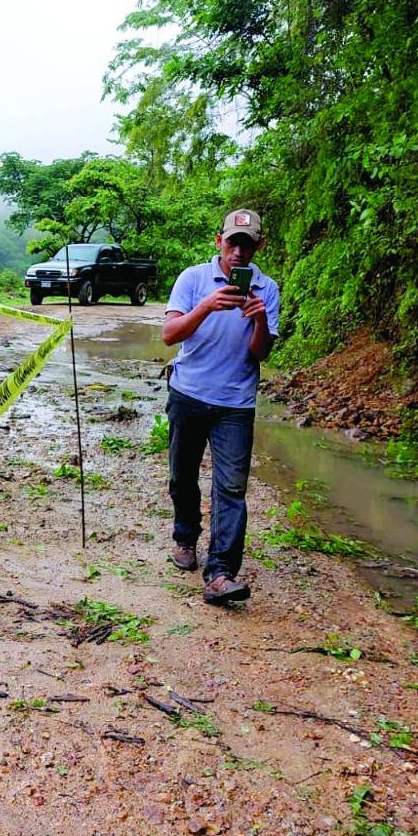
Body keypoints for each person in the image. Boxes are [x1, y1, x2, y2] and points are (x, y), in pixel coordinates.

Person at [162, 208, 280, 605]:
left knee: (231, 488)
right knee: (182, 477)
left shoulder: (268, 289)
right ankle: (184, 537)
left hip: (235, 404)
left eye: (247, 246)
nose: (238, 253)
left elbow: (258, 354)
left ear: (258, 247)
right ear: (219, 242)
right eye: (232, 243)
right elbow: (169, 335)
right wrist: (207, 306)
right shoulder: (193, 279)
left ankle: (221, 573)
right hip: (188, 394)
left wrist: (260, 321)